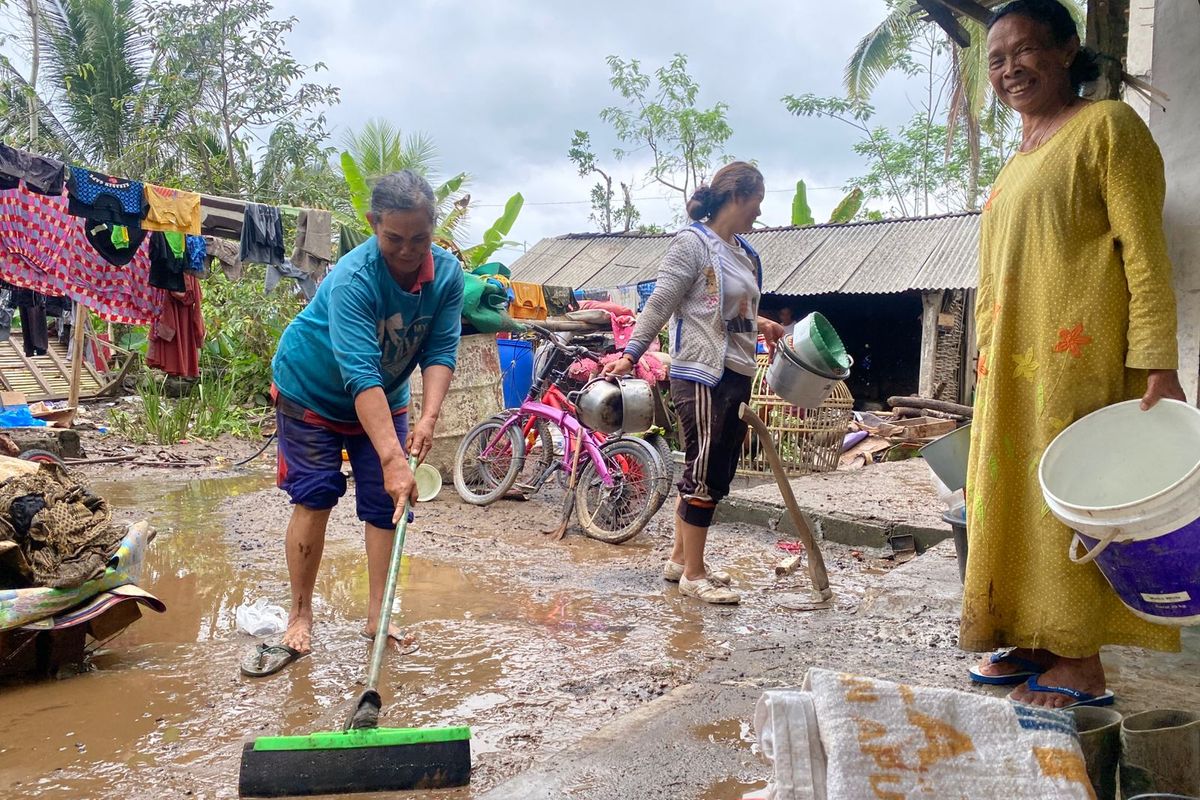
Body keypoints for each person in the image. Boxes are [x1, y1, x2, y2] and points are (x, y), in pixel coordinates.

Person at [965, 0, 1186, 708]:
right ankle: (1032, 636)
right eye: (996, 60)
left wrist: (1158, 359)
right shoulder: (1018, 157)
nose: (1009, 69)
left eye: (1024, 51)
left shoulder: (1107, 128)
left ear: (1066, 49)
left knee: (1070, 499)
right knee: (1015, 495)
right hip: (1011, 366)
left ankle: (1080, 661)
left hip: (1078, 359)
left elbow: (1145, 254)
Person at [242, 170, 465, 677]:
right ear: (373, 225)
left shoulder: (448, 277)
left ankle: (377, 616)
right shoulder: (353, 278)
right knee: (315, 494)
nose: (407, 251)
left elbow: (440, 349)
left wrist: (428, 419)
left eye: (420, 239)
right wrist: (391, 457)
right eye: (393, 238)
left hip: (385, 394)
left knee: (389, 502)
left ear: (434, 228)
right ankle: (300, 613)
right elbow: (359, 372)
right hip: (312, 390)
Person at [603, 162, 785, 604]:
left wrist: (759, 323)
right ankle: (695, 575)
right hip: (701, 373)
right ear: (738, 196)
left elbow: (724, 313)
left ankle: (681, 560)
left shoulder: (745, 252)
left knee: (718, 468)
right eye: (757, 203)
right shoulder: (693, 243)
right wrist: (631, 355)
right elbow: (663, 302)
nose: (759, 213)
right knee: (703, 468)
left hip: (738, 372)